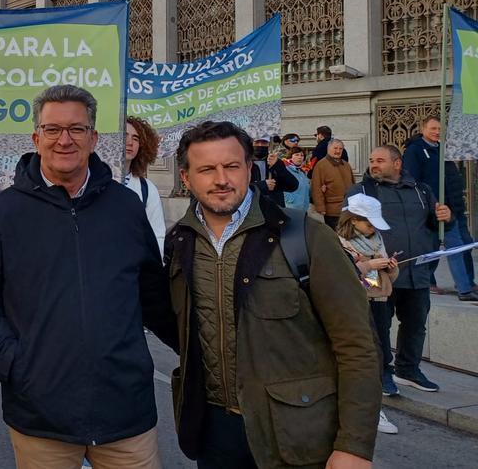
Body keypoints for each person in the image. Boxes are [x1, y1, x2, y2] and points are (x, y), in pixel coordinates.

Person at [0, 85, 177, 468]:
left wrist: (197, 349)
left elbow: (153, 293)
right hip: (42, 415)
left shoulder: (125, 206)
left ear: (93, 138)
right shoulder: (5, 212)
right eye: (53, 129)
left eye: (77, 129)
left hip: (125, 411)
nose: (65, 140)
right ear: (36, 137)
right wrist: (12, 363)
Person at [165, 121, 379, 469]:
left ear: (250, 168)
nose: (222, 179)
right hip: (214, 435)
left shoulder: (304, 236)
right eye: (206, 169)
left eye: (232, 166)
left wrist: (354, 445)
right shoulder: (179, 242)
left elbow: (357, 345)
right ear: (187, 178)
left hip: (298, 437)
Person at [347, 145, 451, 394]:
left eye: (380, 160)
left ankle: (409, 369)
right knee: (379, 327)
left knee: (416, 323)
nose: (373, 164)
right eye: (372, 160)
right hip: (378, 274)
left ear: (397, 163)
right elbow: (347, 228)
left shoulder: (421, 190)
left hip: (418, 271)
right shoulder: (362, 190)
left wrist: (447, 217)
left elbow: (433, 225)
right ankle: (382, 374)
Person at [335, 194, 401, 432]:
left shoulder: (377, 239)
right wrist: (367, 266)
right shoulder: (339, 242)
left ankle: (376, 399)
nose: (372, 229)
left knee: (381, 348)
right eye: (368, 223)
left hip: (379, 300)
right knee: (364, 353)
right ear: (353, 220)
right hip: (355, 303)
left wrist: (390, 268)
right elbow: (341, 275)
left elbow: (384, 280)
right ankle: (370, 409)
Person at [402, 116, 477, 300]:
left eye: (439, 129)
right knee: (454, 246)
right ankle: (464, 289)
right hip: (436, 208)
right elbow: (413, 180)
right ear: (423, 128)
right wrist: (429, 204)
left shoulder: (443, 149)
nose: (437, 132)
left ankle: (467, 282)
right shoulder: (415, 150)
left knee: (464, 244)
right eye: (433, 128)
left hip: (454, 207)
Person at [125, 116, 166, 254]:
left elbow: (157, 235)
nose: (129, 142)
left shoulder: (147, 189)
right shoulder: (91, 182)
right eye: (124, 135)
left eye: (136, 138)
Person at [311, 139, 354, 228]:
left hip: (348, 208)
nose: (338, 151)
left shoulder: (346, 165)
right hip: (331, 210)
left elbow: (353, 183)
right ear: (328, 149)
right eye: (335, 148)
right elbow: (316, 187)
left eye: (340, 149)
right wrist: (320, 207)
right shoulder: (321, 165)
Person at [249, 136, 298, 204]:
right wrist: (260, 186)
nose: (260, 145)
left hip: (274, 209)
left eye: (264, 142)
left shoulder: (275, 162)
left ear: (268, 144)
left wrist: (278, 166)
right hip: (252, 208)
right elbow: (237, 188)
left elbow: (293, 185)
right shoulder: (244, 163)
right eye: (257, 142)